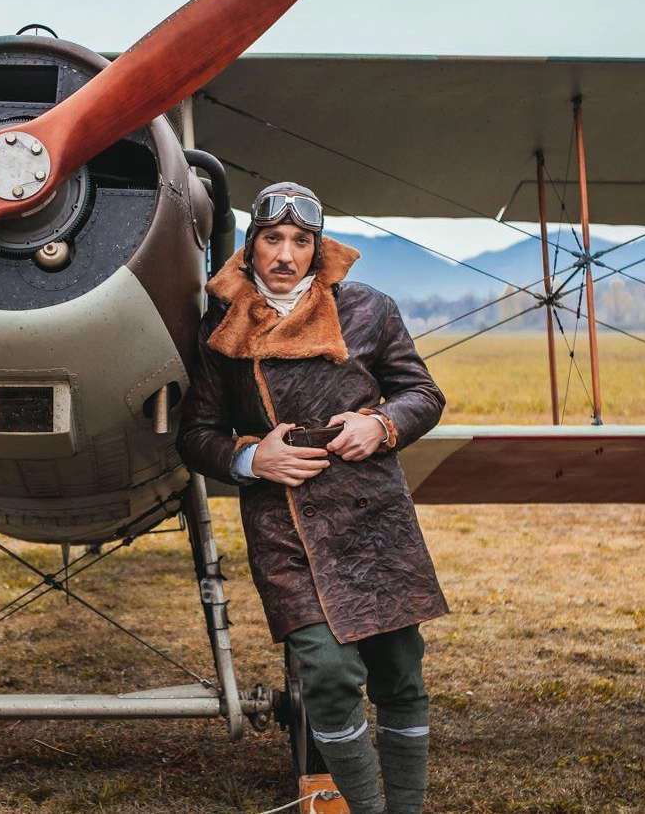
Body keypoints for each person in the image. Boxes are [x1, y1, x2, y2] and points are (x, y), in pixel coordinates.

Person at [177, 182, 448, 814]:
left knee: (401, 676)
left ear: (317, 249)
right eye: (272, 239)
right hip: (285, 523)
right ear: (250, 249)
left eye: (301, 241)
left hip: (372, 515)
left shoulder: (368, 310)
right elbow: (196, 435)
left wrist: (380, 425)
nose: (286, 254)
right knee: (326, 677)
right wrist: (250, 456)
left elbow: (423, 394)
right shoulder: (222, 326)